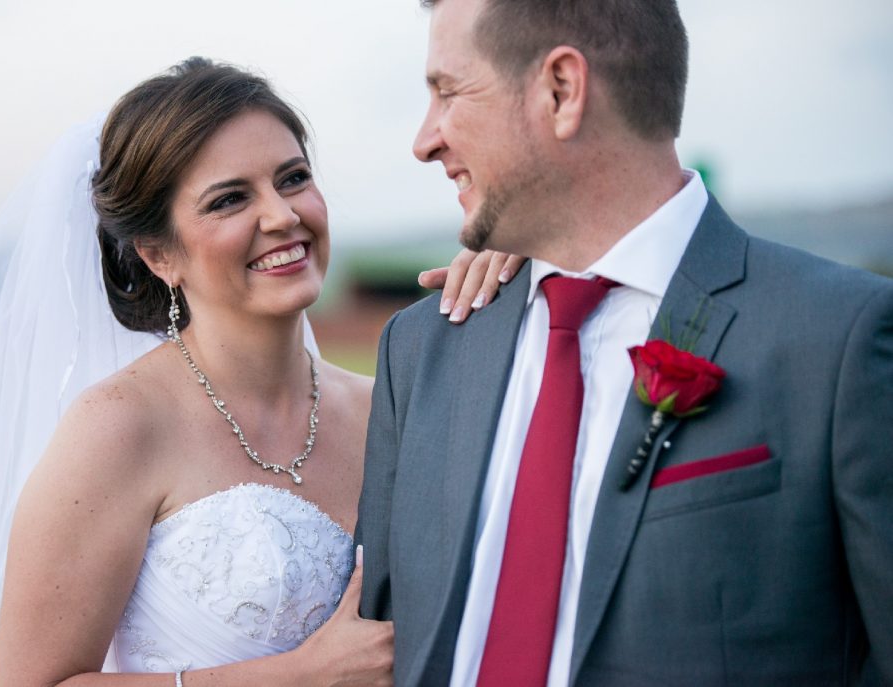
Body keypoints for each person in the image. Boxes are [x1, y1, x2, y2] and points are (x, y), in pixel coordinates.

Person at [0, 57, 521, 686]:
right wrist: (298, 677)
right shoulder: (118, 427)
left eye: (293, 178)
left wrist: (526, 272)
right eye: (230, 199)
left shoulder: (391, 405)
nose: (282, 215)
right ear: (158, 254)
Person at [357, 0, 893, 685]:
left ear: (561, 91)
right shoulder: (420, 350)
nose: (424, 140)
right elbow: (373, 646)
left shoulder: (838, 339)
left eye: (448, 92)